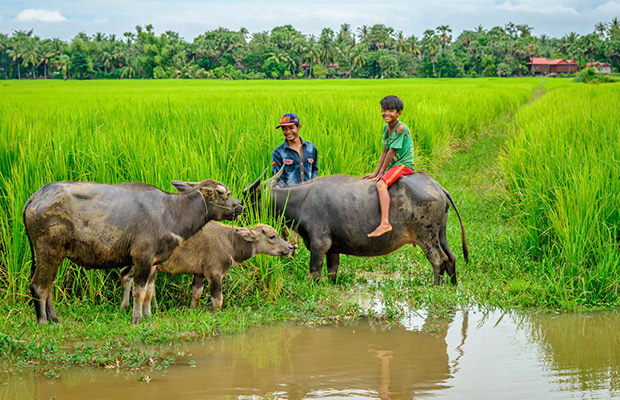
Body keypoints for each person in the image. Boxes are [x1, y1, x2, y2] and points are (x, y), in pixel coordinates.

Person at [363, 95, 415, 238]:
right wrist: (376, 172)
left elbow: (392, 152)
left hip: (404, 164)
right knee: (376, 179)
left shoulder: (400, 127)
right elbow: (384, 151)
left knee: (381, 185)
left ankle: (385, 223)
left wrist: (381, 175)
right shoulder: (386, 128)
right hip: (394, 165)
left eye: (391, 111)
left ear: (399, 113)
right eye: (384, 110)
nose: (386, 113)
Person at [271, 113, 318, 187]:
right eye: (284, 129)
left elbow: (314, 170)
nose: (288, 132)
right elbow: (277, 177)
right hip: (291, 195)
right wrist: (279, 187)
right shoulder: (278, 153)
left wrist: (315, 185)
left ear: (298, 127)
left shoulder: (311, 148)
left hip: (309, 193)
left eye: (291, 128)